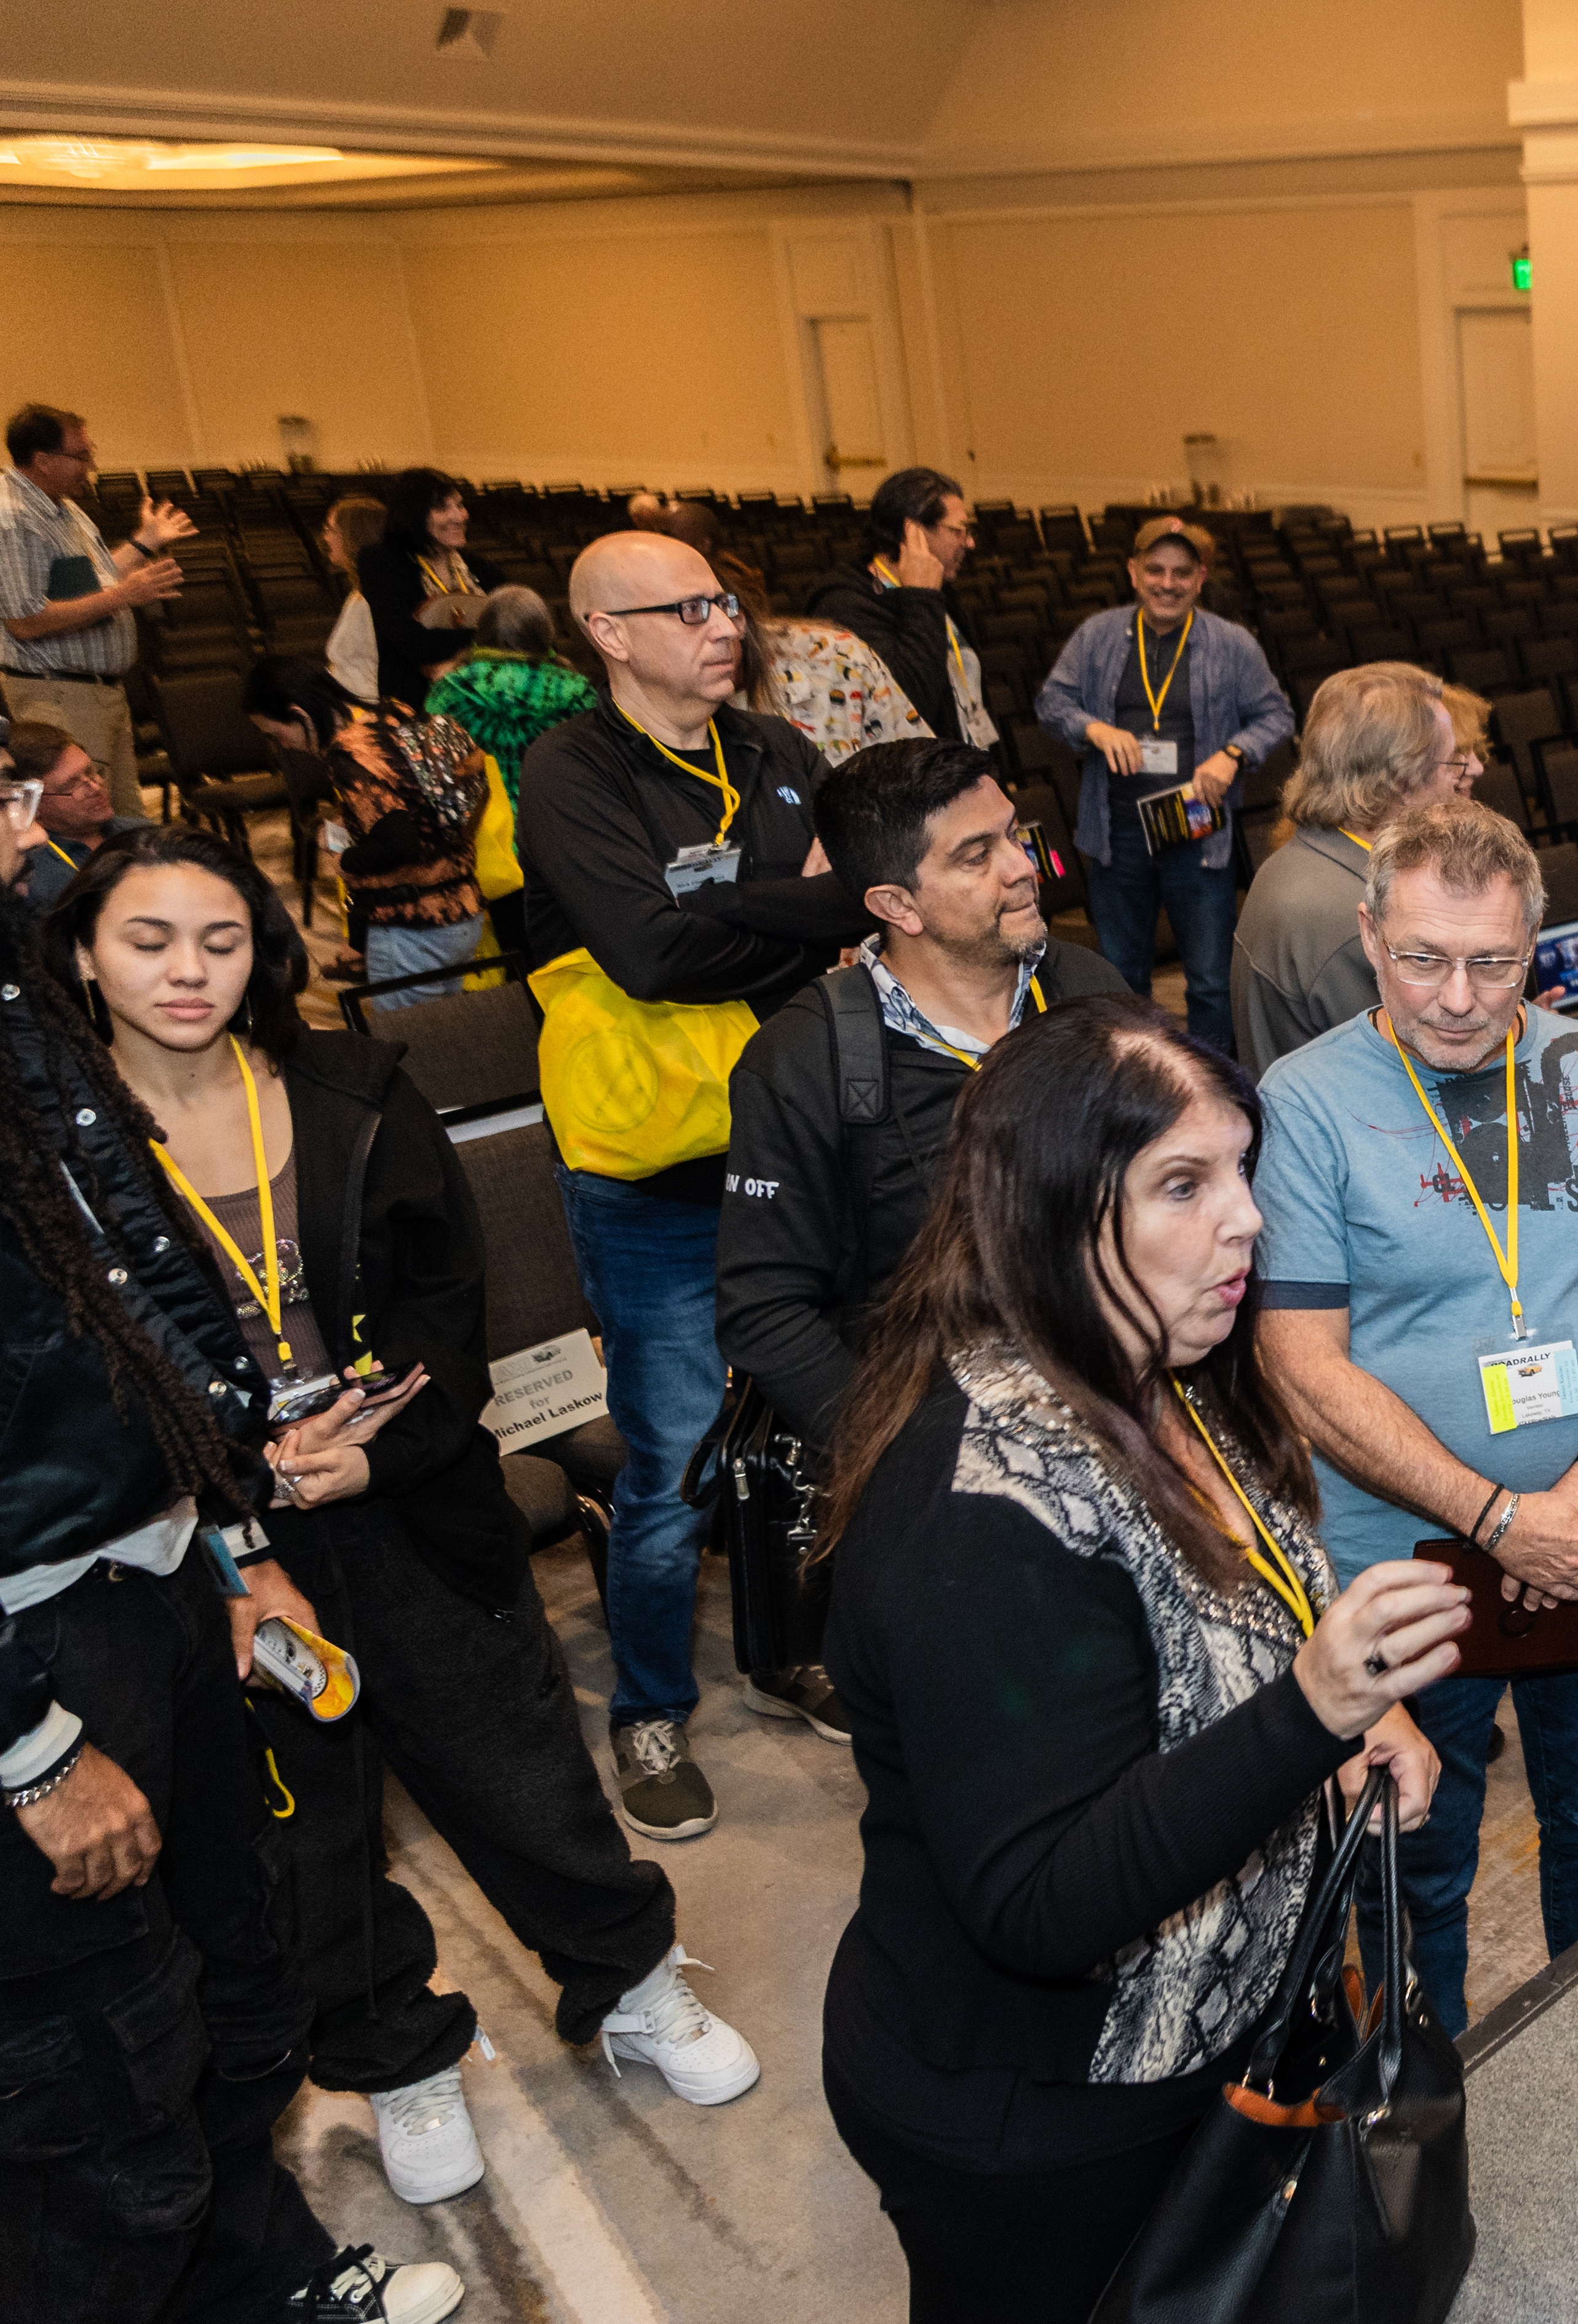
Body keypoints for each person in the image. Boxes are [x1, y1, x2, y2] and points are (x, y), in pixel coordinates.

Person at [51, 825, 756, 2215]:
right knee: (304, 1834)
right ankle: (396, 2052)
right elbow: (75, 1374)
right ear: (83, 953)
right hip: (218, 1540)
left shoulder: (347, 1082)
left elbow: (449, 1300)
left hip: (404, 1492)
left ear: (266, 947)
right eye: (149, 939)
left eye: (221, 937)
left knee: (517, 1762)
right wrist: (232, 1493)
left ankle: (624, 1978)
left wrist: (386, 1455)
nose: (189, 969)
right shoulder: (55, 1150)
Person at [820, 994, 1461, 2324]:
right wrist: (1311, 1709)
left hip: (1207, 2049)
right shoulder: (982, 1504)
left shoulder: (1173, 1377)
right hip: (1039, 2109)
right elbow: (1044, 1897)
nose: (1247, 1217)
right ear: (1057, 1212)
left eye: (1240, 1167)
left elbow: (1226, 1646)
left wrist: (1348, 1730)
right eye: (1184, 1182)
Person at [0, 879, 469, 2324]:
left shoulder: (18, 1003)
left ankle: (264, 2276)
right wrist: (30, 1746)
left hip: (151, 1574)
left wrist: (229, 1543)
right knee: (97, 2086)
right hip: (34, 1648)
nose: (29, 817)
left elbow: (134, 1320)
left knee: (230, 2003)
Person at [1250, 800, 1578, 2025]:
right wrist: (1497, 1514)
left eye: (1493, 963)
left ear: (1535, 947)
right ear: (1367, 934)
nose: (1457, 996)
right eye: (1422, 958)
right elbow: (1300, 1362)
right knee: (1410, 1865)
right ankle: (1424, 2122)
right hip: (1406, 1569)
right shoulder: (1304, 1102)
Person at [518, 528, 870, 1840]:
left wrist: (749, 911)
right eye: (686, 607)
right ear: (608, 631)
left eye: (725, 599)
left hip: (785, 1146)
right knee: (668, 1457)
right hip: (650, 1167)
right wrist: (795, 904)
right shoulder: (571, 767)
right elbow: (649, 954)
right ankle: (650, 1706)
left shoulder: (775, 750)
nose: (723, 623)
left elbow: (861, 906)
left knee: (817, 1429)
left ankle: (793, 1650)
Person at [715, 737, 1131, 1727]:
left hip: (1124, 1446)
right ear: (895, 906)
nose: (1024, 865)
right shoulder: (808, 1057)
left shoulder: (1088, 990)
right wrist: (905, 1460)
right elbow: (763, 1306)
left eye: (1016, 837)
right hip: (948, 1496)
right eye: (975, 854)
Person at [1035, 515, 1298, 1047]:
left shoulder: (1233, 644)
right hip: (1117, 835)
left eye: (1181, 573)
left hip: (1197, 834)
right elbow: (1051, 702)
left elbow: (1277, 715)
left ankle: (1210, 1086)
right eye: (1155, 570)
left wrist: (1232, 754)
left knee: (1207, 983)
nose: (1167, 583)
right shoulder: (1098, 635)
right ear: (1134, 573)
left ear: (1200, 579)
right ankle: (1132, 1081)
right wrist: (1094, 727)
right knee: (1120, 977)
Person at [1229, 662, 1484, 1079]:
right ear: (1402, 779)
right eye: (1454, 760)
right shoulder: (1357, 923)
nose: (1474, 770)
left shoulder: (1298, 861)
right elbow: (1425, 1082)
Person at [248, 656, 493, 1012]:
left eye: (276, 733)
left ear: (298, 714)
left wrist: (345, 859)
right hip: (462, 911)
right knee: (447, 1038)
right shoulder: (393, 713)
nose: (281, 746)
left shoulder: (349, 756)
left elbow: (401, 845)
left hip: (413, 925)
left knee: (413, 1048)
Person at [628, 494, 930, 763]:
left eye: (727, 608)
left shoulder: (837, 659)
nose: (723, 629)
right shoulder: (644, 703)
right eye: (692, 612)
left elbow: (922, 766)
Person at [1, 403, 194, 820]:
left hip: (98, 691)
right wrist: (122, 597)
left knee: (124, 818)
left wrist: (145, 542)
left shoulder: (63, 507)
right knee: (86, 823)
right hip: (60, 693)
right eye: (81, 455)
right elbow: (25, 621)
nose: (92, 464)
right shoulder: (13, 518)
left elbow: (96, 577)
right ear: (43, 461)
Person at [805, 467, 995, 750]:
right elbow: (908, 704)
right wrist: (920, 597)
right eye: (957, 530)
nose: (969, 542)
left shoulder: (939, 590)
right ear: (913, 532)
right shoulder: (844, 604)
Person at [422, 587, 600, 816]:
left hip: (479, 824)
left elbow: (435, 763)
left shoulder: (448, 690)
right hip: (557, 818)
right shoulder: (579, 692)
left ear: (483, 629)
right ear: (545, 632)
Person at [356, 469, 502, 711]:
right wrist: (484, 638)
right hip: (417, 704)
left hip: (484, 704)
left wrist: (456, 659)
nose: (460, 516)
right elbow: (412, 641)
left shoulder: (481, 569)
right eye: (443, 508)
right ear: (414, 514)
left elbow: (515, 631)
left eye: (460, 505)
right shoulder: (381, 562)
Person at [7, 716, 148, 911]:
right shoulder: (37, 876)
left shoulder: (142, 832)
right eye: (72, 785)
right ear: (33, 804)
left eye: (91, 772)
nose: (95, 787)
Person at [319, 495, 389, 706]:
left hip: (365, 711)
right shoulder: (363, 590)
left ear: (353, 537)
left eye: (331, 530)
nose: (325, 537)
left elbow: (373, 678)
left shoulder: (375, 597)